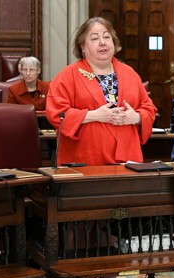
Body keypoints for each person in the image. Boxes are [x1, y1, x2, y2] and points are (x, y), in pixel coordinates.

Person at [45, 17, 156, 166]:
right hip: (85, 161)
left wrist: (136, 117)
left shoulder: (129, 73)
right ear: (82, 46)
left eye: (106, 37)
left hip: (128, 159)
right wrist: (93, 115)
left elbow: (149, 108)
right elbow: (57, 113)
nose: (102, 42)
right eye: (95, 38)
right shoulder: (68, 75)